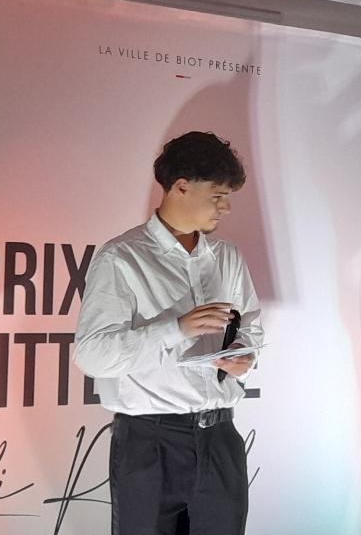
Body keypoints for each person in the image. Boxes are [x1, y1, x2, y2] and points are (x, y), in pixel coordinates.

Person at [74, 131, 264, 535]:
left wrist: (244, 355)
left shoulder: (227, 257)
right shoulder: (122, 257)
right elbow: (92, 355)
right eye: (218, 195)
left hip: (220, 437)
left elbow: (250, 326)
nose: (226, 207)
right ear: (181, 187)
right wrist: (176, 329)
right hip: (149, 440)